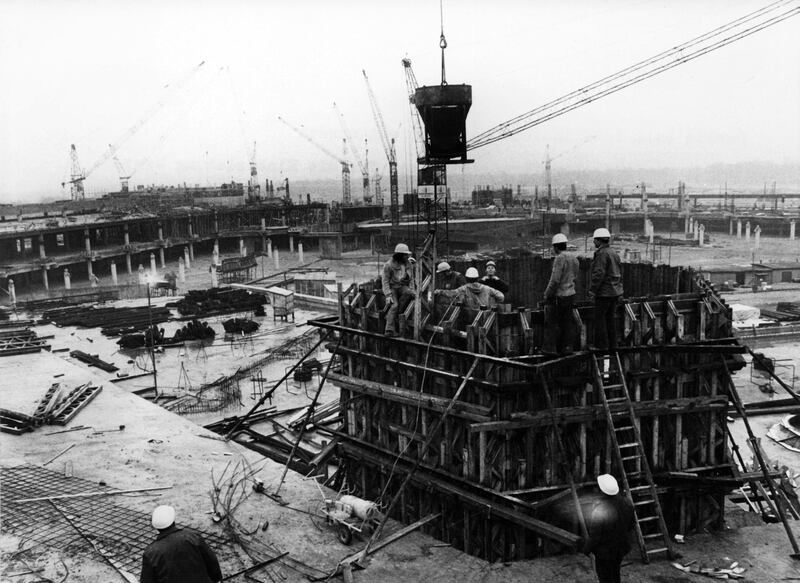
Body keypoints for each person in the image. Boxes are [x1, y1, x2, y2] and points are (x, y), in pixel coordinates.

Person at [141, 505, 222, 583]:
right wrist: (216, 579)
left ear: (155, 527)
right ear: (173, 521)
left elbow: (147, 580)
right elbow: (212, 562)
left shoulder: (151, 553)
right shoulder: (193, 537)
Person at [583, 474, 635, 583]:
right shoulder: (627, 503)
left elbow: (595, 537)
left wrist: (586, 549)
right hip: (620, 549)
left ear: (602, 491)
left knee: (605, 577)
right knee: (615, 573)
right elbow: (631, 526)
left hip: (605, 553)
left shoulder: (600, 510)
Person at [542, 233, 579, 355]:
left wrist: (547, 293)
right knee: (567, 322)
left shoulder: (559, 258)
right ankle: (567, 348)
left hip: (560, 296)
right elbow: (575, 275)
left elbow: (555, 280)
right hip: (571, 294)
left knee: (552, 322)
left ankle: (551, 349)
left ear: (556, 247)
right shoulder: (574, 258)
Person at [589, 228, 623, 351]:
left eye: (594, 240)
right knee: (610, 319)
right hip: (615, 292)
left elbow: (599, 274)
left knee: (600, 318)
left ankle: (601, 345)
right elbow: (619, 272)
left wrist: (592, 290)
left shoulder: (602, 254)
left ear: (599, 240)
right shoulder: (614, 253)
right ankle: (613, 345)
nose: (594, 243)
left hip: (604, 292)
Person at [382, 243, 415, 337]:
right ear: (399, 255)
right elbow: (385, 281)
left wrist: (412, 290)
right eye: (405, 255)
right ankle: (389, 330)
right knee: (394, 305)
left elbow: (411, 279)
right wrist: (388, 295)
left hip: (401, 286)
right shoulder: (388, 265)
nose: (407, 256)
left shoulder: (408, 264)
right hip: (392, 287)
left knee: (410, 293)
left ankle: (399, 313)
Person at [436, 267, 504, 310]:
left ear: (467, 278)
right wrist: (492, 303)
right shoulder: (487, 288)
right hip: (486, 317)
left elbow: (452, 293)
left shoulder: (464, 289)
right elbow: (501, 296)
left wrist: (440, 291)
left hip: (470, 319)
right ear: (477, 278)